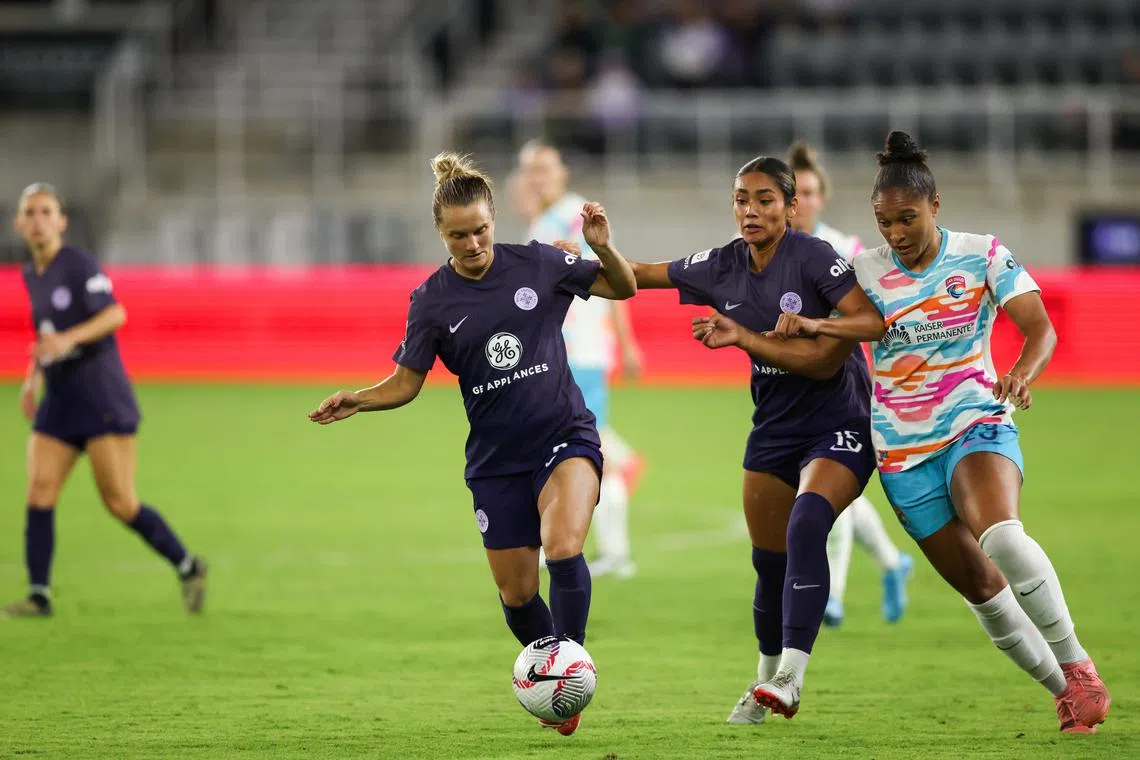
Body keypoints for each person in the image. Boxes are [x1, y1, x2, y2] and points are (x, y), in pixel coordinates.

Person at [308, 153, 637, 736]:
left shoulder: (538, 263)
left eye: (481, 229)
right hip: (495, 463)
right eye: (458, 235)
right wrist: (360, 398)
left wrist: (601, 246)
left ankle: (570, 675)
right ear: (441, 234)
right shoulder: (431, 301)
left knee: (562, 548)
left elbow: (624, 287)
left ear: (493, 221)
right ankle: (554, 665)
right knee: (516, 595)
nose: (473, 243)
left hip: (564, 435)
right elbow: (407, 382)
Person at [853, 131, 1111, 733]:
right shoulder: (864, 271)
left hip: (975, 417)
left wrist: (1021, 373)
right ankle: (1064, 692)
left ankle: (1078, 665)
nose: (896, 234)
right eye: (885, 222)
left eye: (908, 219)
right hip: (899, 450)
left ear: (935, 206)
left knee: (999, 533)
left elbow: (1040, 329)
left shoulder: (982, 255)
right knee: (981, 590)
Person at [617, 156, 887, 722]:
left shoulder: (814, 258)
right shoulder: (722, 265)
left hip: (838, 420)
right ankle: (764, 683)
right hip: (774, 429)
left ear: (791, 207)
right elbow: (639, 275)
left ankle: (791, 675)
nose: (750, 210)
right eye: (742, 198)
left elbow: (853, 336)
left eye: (765, 199)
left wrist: (749, 335)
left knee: (807, 523)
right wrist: (583, 256)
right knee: (768, 564)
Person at [5, 183, 207, 619]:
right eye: (30, 212)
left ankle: (188, 565)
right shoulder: (30, 274)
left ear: (61, 221)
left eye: (46, 211)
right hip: (59, 400)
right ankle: (39, 596)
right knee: (39, 492)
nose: (38, 220)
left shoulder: (77, 264)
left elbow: (115, 314)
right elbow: (46, 334)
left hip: (100, 397)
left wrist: (68, 340)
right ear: (19, 223)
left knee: (120, 503)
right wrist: (31, 379)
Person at [787, 141, 913, 627]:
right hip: (792, 386)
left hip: (843, 382)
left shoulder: (847, 248)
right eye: (794, 193)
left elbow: (873, 315)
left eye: (811, 191)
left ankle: (832, 595)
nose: (803, 201)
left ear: (823, 196)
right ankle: (891, 562)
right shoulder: (766, 251)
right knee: (837, 494)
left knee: (820, 490)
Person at [517, 140, 645, 579]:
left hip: (582, 353)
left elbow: (615, 277)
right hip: (557, 355)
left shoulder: (578, 216)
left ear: (562, 172)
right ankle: (606, 550)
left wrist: (626, 346)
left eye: (544, 168)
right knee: (575, 444)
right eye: (530, 170)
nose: (537, 177)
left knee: (583, 446)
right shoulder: (540, 222)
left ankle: (601, 550)